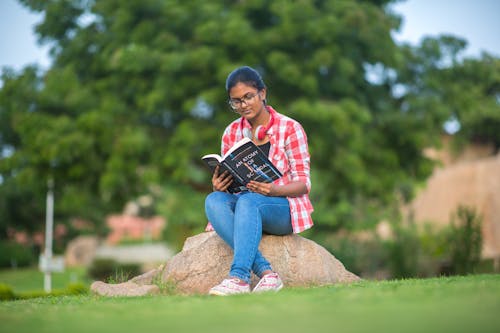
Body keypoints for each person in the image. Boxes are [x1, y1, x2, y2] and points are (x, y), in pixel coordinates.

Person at [204, 66, 314, 296]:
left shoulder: (290, 128)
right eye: (236, 101)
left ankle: (239, 277)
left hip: (281, 207)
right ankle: (267, 274)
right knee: (213, 200)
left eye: (248, 97)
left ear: (262, 93)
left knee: (249, 201)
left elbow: (304, 183)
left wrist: (273, 190)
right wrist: (221, 185)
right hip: (247, 204)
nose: (243, 105)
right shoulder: (231, 132)